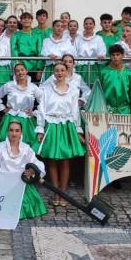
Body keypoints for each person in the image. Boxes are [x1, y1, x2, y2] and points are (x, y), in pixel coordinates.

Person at [35, 62, 86, 206]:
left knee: (65, 161)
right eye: (57, 70)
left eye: (62, 70)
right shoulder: (46, 89)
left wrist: (78, 131)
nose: (59, 73)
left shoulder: (73, 90)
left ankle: (63, 193)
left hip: (66, 126)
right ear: (53, 73)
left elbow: (75, 111)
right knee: (52, 160)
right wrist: (40, 128)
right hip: (51, 126)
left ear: (66, 72)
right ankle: (55, 192)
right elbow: (42, 109)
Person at [0, 120, 47, 220]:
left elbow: (38, 164)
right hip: (5, 184)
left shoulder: (26, 148)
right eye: (11, 130)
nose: (14, 134)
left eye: (17, 131)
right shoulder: (1, 146)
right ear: (7, 132)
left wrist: (33, 171)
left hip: (21, 183)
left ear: (21, 133)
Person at [0, 63, 40, 150]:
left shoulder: (33, 87)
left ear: (26, 71)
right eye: (17, 71)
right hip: (10, 118)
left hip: (27, 119)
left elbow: (43, 101)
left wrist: (34, 112)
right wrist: (3, 107)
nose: (20, 72)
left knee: (27, 143)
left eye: (22, 70)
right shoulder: (9, 85)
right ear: (14, 73)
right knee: (7, 142)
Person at [99, 45, 131, 114]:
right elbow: (99, 91)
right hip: (106, 110)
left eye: (118, 55)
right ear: (110, 56)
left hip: (124, 111)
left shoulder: (129, 73)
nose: (115, 57)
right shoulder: (103, 72)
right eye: (113, 55)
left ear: (122, 55)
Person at [75, 17, 106, 86]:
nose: (88, 25)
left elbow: (102, 51)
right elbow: (74, 51)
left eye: (90, 24)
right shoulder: (78, 39)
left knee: (94, 85)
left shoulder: (98, 38)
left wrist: (100, 55)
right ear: (83, 25)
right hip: (81, 66)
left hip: (94, 66)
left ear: (94, 25)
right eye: (86, 24)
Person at [11, 12, 42, 78]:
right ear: (21, 21)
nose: (26, 20)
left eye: (29, 18)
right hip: (21, 65)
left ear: (32, 20)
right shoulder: (16, 35)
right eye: (24, 18)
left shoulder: (37, 35)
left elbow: (40, 51)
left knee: (34, 87)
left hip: (34, 66)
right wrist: (18, 64)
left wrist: (39, 69)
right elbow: (14, 50)